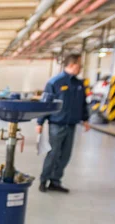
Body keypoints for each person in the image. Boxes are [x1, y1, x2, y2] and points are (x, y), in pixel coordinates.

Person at [36, 53, 90, 194]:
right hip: (56, 124)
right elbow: (46, 104)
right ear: (71, 65)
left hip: (71, 125)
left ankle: (55, 181)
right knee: (53, 154)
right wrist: (40, 122)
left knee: (65, 155)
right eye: (79, 64)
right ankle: (43, 180)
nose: (81, 67)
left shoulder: (79, 84)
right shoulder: (55, 82)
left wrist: (85, 119)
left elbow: (83, 104)